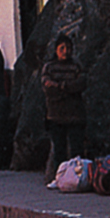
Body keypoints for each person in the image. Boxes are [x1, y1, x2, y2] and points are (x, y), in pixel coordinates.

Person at [41, 35, 86, 183]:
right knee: (59, 150)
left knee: (76, 150)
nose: (65, 51)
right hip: (55, 115)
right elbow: (47, 87)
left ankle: (78, 178)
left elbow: (80, 84)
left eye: (68, 48)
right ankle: (59, 179)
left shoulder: (76, 66)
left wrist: (60, 86)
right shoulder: (49, 67)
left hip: (75, 115)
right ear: (56, 50)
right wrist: (68, 88)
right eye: (62, 48)